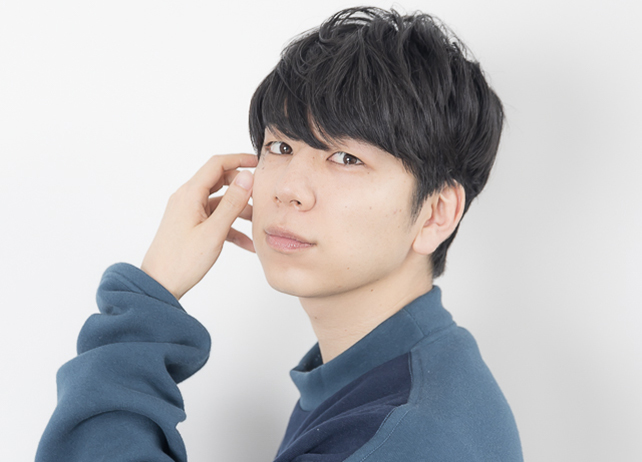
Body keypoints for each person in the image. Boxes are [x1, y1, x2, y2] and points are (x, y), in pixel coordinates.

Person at [36, 7, 522, 461]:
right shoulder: (388, 372)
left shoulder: (403, 436)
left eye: (346, 158)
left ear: (436, 213)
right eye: (281, 146)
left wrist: (148, 300)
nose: (289, 189)